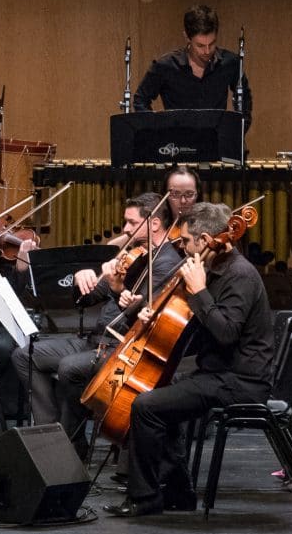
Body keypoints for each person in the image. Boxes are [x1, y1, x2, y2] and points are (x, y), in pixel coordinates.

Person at [108, 203, 277, 517]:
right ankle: (178, 493)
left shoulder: (239, 275)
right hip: (217, 372)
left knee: (145, 406)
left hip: (240, 381)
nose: (180, 247)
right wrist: (150, 316)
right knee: (159, 392)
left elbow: (226, 334)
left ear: (204, 239)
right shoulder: (213, 268)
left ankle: (145, 498)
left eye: (185, 241)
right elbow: (196, 330)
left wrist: (199, 290)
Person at [11, 195, 185, 461]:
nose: (125, 229)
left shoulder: (165, 264)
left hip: (122, 348)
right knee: (25, 355)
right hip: (95, 339)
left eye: (131, 222)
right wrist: (83, 278)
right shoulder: (131, 253)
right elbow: (89, 297)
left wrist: (118, 290)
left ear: (155, 223)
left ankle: (72, 445)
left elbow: (141, 319)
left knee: (70, 367)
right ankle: (51, 435)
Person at [134, 5, 252, 137]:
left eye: (212, 44)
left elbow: (245, 99)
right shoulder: (166, 66)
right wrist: (156, 132)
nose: (207, 51)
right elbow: (140, 99)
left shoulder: (230, 63)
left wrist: (235, 134)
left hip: (216, 146)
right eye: (200, 45)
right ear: (187, 37)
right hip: (177, 147)